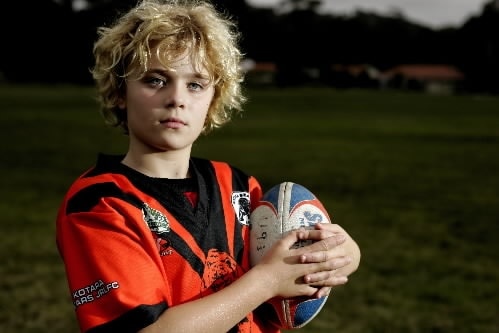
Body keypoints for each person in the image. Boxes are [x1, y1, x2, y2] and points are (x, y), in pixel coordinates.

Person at [55, 0, 361, 332]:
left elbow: (322, 256)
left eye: (196, 84)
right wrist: (268, 281)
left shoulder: (240, 186)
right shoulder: (100, 204)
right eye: (156, 80)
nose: (177, 98)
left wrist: (339, 251)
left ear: (213, 99)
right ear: (119, 91)